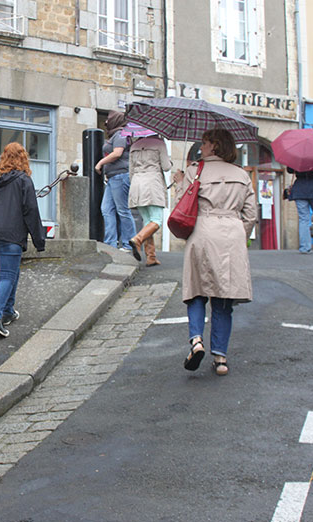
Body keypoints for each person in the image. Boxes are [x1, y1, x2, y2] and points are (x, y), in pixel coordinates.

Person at [172, 128, 256, 377]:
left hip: (203, 232)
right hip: (231, 234)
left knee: (197, 290)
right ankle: (220, 358)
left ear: (216, 146)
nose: (201, 146)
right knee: (223, 297)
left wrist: (179, 183)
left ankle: (196, 341)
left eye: (206, 143)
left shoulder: (195, 171)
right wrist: (238, 231)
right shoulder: (242, 175)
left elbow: (181, 206)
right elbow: (250, 214)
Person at [0, 142, 45, 338]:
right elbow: (31, 212)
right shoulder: (24, 181)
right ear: (23, 158)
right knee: (7, 275)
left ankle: (8, 311)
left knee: (12, 269)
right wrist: (39, 241)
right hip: (10, 236)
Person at [127, 134, 172, 266]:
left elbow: (130, 171)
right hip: (153, 183)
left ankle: (151, 257)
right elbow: (166, 167)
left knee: (147, 221)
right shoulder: (159, 144)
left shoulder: (134, 146)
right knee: (157, 220)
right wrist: (170, 161)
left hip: (136, 183)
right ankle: (138, 239)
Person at [94, 110, 136, 252]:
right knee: (106, 209)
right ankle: (110, 243)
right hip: (113, 177)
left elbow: (117, 153)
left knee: (123, 210)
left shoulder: (121, 134)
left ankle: (128, 244)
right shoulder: (116, 134)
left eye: (109, 119)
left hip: (120, 176)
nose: (106, 122)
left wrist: (100, 163)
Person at [286, 168, 313, 254]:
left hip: (300, 189)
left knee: (303, 218)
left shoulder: (298, 157)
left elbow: (289, 170)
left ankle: (305, 247)